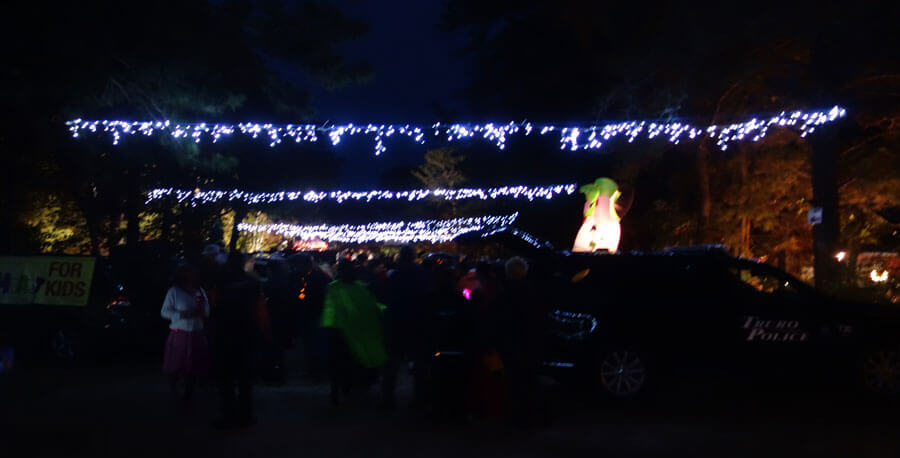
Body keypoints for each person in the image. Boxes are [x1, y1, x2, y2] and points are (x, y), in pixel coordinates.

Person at [211, 252, 267, 428]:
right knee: (245, 378)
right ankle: (246, 414)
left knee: (225, 379)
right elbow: (260, 310)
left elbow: (213, 306)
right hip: (246, 333)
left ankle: (228, 414)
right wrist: (264, 332)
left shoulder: (220, 284)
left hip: (225, 334)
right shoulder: (253, 283)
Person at [321, 259, 387, 405]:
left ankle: (338, 392)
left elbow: (329, 309)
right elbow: (373, 308)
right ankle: (349, 388)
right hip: (356, 332)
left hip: (337, 332)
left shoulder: (333, 288)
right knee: (352, 361)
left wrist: (328, 327)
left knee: (337, 364)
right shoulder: (362, 288)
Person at [381, 245, 433, 409]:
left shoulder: (395, 275)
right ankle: (420, 398)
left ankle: (389, 398)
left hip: (397, 322)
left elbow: (388, 298)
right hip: (417, 323)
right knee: (419, 363)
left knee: (392, 364)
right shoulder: (422, 274)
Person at [496, 257, 545, 429]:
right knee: (530, 380)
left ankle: (516, 416)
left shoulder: (505, 294)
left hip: (511, 344)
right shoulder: (534, 292)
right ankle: (530, 415)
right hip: (530, 342)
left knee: (513, 382)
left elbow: (500, 320)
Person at [160, 264, 210, 400]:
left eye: (194, 273)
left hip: (196, 332)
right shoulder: (174, 291)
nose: (192, 276)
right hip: (180, 333)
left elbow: (207, 309)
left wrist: (203, 312)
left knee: (194, 365)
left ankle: (189, 391)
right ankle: (174, 389)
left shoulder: (200, 291)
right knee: (177, 364)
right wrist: (182, 315)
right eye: (189, 273)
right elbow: (164, 312)